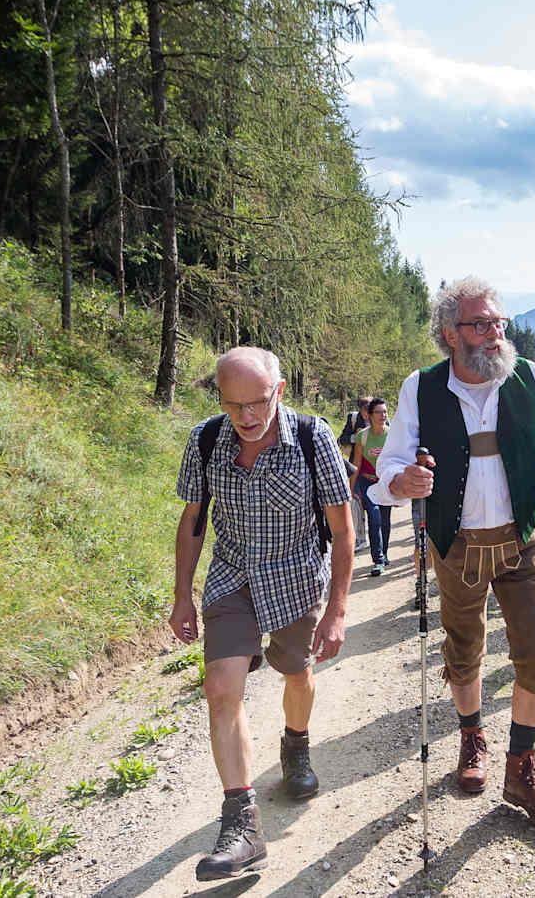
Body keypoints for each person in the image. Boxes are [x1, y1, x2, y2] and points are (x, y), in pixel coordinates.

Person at [370, 276, 535, 824]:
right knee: (463, 650)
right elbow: (389, 466)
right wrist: (402, 481)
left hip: (522, 538)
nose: (495, 333)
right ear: (450, 333)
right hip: (456, 544)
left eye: (499, 322)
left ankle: (521, 766)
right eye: (481, 324)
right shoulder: (422, 387)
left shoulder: (528, 378)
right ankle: (471, 737)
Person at [169, 347, 355, 879]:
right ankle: (243, 823)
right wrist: (183, 594)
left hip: (296, 577)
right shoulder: (206, 440)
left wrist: (337, 610)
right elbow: (193, 522)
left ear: (277, 392)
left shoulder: (314, 438)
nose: (247, 417)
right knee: (221, 687)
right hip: (232, 576)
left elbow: (343, 531)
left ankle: (295, 746)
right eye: (234, 406)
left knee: (296, 673)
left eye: (257, 404)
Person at [348, 396, 393, 576]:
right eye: (379, 412)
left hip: (385, 482)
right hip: (367, 482)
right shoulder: (363, 436)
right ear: (369, 415)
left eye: (385, 412)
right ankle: (378, 560)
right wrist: (351, 488)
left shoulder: (392, 434)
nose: (383, 415)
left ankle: (385, 552)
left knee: (385, 520)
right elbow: (356, 463)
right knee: (374, 520)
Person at [338, 396, 373, 550]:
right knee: (355, 500)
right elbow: (342, 439)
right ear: (361, 410)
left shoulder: (381, 417)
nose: (368, 415)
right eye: (366, 411)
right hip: (356, 467)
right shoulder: (353, 419)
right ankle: (360, 538)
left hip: (374, 467)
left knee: (373, 505)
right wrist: (356, 437)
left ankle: (376, 538)